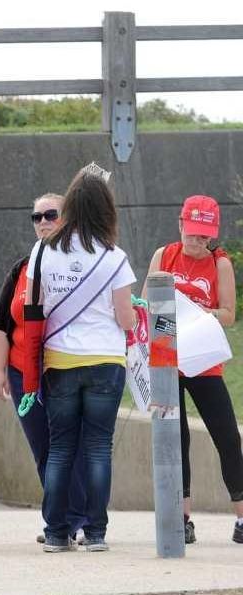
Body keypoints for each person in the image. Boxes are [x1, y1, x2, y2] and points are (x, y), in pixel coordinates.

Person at [24, 167, 135, 553]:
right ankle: (97, 533)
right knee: (98, 448)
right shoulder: (115, 257)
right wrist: (135, 314)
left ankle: (55, 533)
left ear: (69, 207)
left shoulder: (42, 250)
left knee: (60, 448)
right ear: (106, 210)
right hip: (105, 359)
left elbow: (31, 307)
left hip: (59, 361)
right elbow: (125, 318)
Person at [0, 193, 89, 545]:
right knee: (43, 448)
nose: (43, 222)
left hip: (66, 367)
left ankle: (75, 518)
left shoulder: (85, 263)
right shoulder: (22, 267)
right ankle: (62, 519)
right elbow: (0, 322)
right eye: (37, 216)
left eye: (51, 215)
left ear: (69, 220)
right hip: (21, 370)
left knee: (70, 445)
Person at [143, 194, 241, 544]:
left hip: (203, 359)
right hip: (168, 361)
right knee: (176, 439)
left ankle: (241, 516)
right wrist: (164, 313)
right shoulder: (164, 255)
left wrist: (193, 313)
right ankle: (182, 517)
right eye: (192, 233)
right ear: (180, 224)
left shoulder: (220, 264)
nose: (197, 242)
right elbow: (145, 304)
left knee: (227, 437)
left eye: (204, 236)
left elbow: (228, 314)